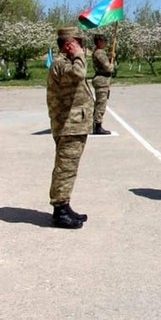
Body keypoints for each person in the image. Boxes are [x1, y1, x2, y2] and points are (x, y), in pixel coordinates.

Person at [46, 27, 94, 229]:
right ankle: (60, 211)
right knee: (65, 168)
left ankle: (64, 205)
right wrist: (80, 55)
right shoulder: (61, 64)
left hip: (74, 124)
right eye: (79, 43)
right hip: (68, 125)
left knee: (69, 168)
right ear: (69, 45)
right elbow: (79, 74)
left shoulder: (66, 62)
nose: (82, 48)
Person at [91, 33, 113, 135]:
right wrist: (112, 63)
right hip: (102, 81)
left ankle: (95, 125)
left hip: (103, 80)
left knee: (99, 104)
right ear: (99, 42)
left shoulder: (99, 52)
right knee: (101, 104)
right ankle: (97, 126)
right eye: (104, 41)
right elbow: (108, 67)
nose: (106, 43)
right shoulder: (99, 53)